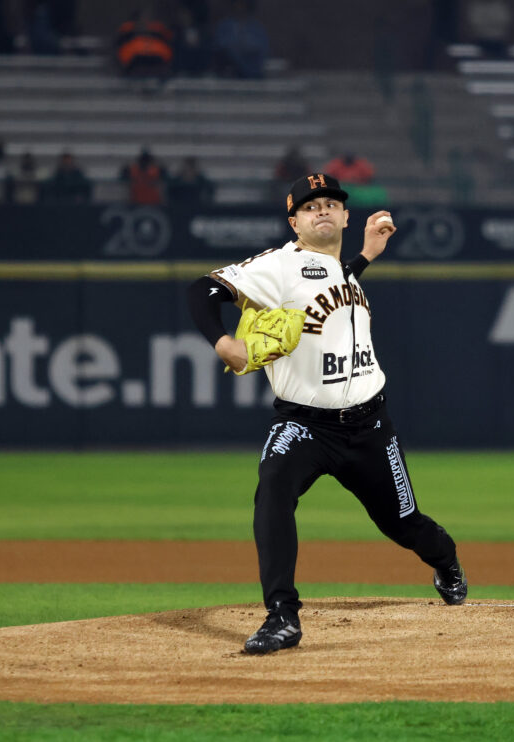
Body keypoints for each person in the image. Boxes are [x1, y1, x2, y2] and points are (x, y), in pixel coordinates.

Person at [186, 173, 467, 654]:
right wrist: (223, 342)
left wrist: (366, 257)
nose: (322, 209)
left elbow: (330, 285)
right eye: (310, 205)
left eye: (331, 203)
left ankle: (447, 561)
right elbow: (201, 290)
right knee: (272, 494)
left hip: (371, 425)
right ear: (293, 220)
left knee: (404, 524)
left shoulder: (340, 268)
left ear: (345, 216)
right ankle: (282, 615)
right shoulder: (277, 266)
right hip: (304, 425)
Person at [212, 0, 269, 79]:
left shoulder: (257, 28)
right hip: (229, 75)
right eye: (237, 3)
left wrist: (247, 44)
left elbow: (262, 49)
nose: (240, 7)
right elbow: (220, 46)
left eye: (242, 3)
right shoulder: (224, 26)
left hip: (252, 74)